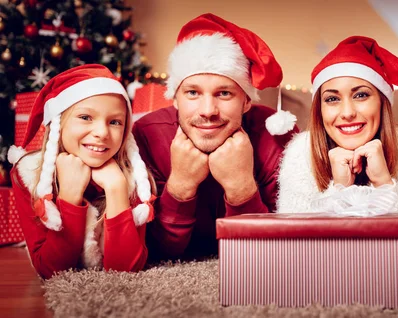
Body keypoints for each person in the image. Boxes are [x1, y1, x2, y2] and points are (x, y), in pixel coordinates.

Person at [133, 13, 297, 260]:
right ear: (175, 99)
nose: (208, 111)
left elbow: (274, 252)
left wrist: (241, 188)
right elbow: (158, 254)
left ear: (246, 101)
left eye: (223, 93)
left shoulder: (278, 137)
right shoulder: (146, 135)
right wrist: (180, 186)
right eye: (192, 93)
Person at [276, 36, 398, 274]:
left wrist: (384, 185)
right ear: (320, 110)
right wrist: (339, 192)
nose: (347, 113)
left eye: (361, 95)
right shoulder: (300, 151)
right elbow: (295, 257)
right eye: (332, 99)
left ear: (382, 102)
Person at [8, 64, 155, 279]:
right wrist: (69, 195)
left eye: (115, 122)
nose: (102, 133)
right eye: (86, 117)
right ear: (59, 124)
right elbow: (51, 271)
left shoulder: (137, 179)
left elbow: (126, 270)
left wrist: (116, 188)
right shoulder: (29, 175)